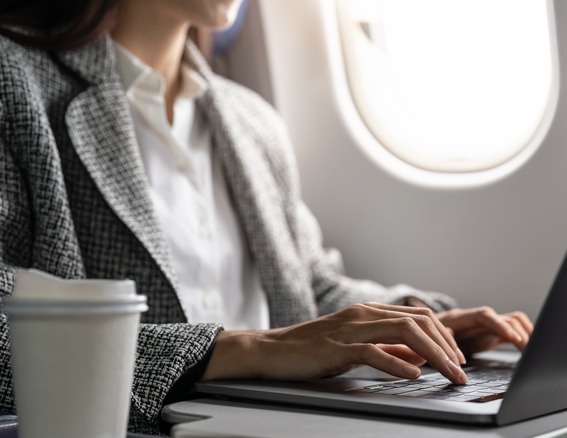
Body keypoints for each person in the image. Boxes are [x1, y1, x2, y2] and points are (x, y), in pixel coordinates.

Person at [0, 0, 534, 434]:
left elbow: (309, 289)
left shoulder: (251, 121)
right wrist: (253, 348)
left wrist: (413, 320)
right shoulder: (13, 81)